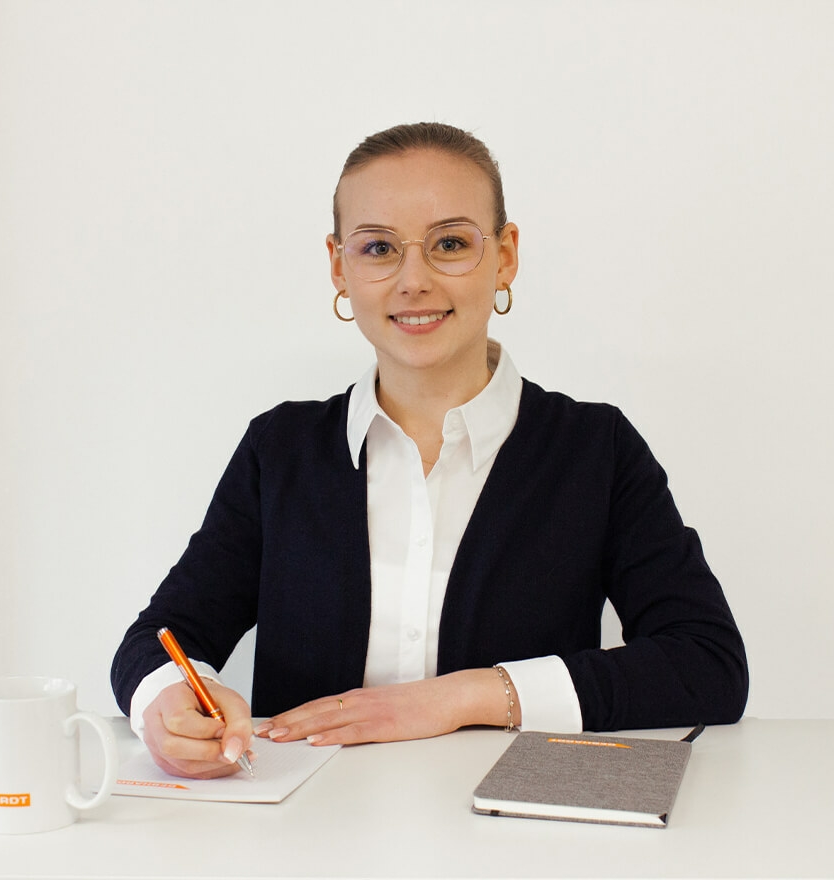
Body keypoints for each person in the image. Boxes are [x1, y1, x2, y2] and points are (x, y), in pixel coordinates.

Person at [111, 122, 748, 779]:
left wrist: (461, 698)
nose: (413, 281)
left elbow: (708, 663)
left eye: (449, 243)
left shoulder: (596, 450)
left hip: (514, 824)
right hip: (308, 825)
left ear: (505, 256)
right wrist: (167, 702)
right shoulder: (279, 452)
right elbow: (160, 641)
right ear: (339, 266)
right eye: (378, 248)